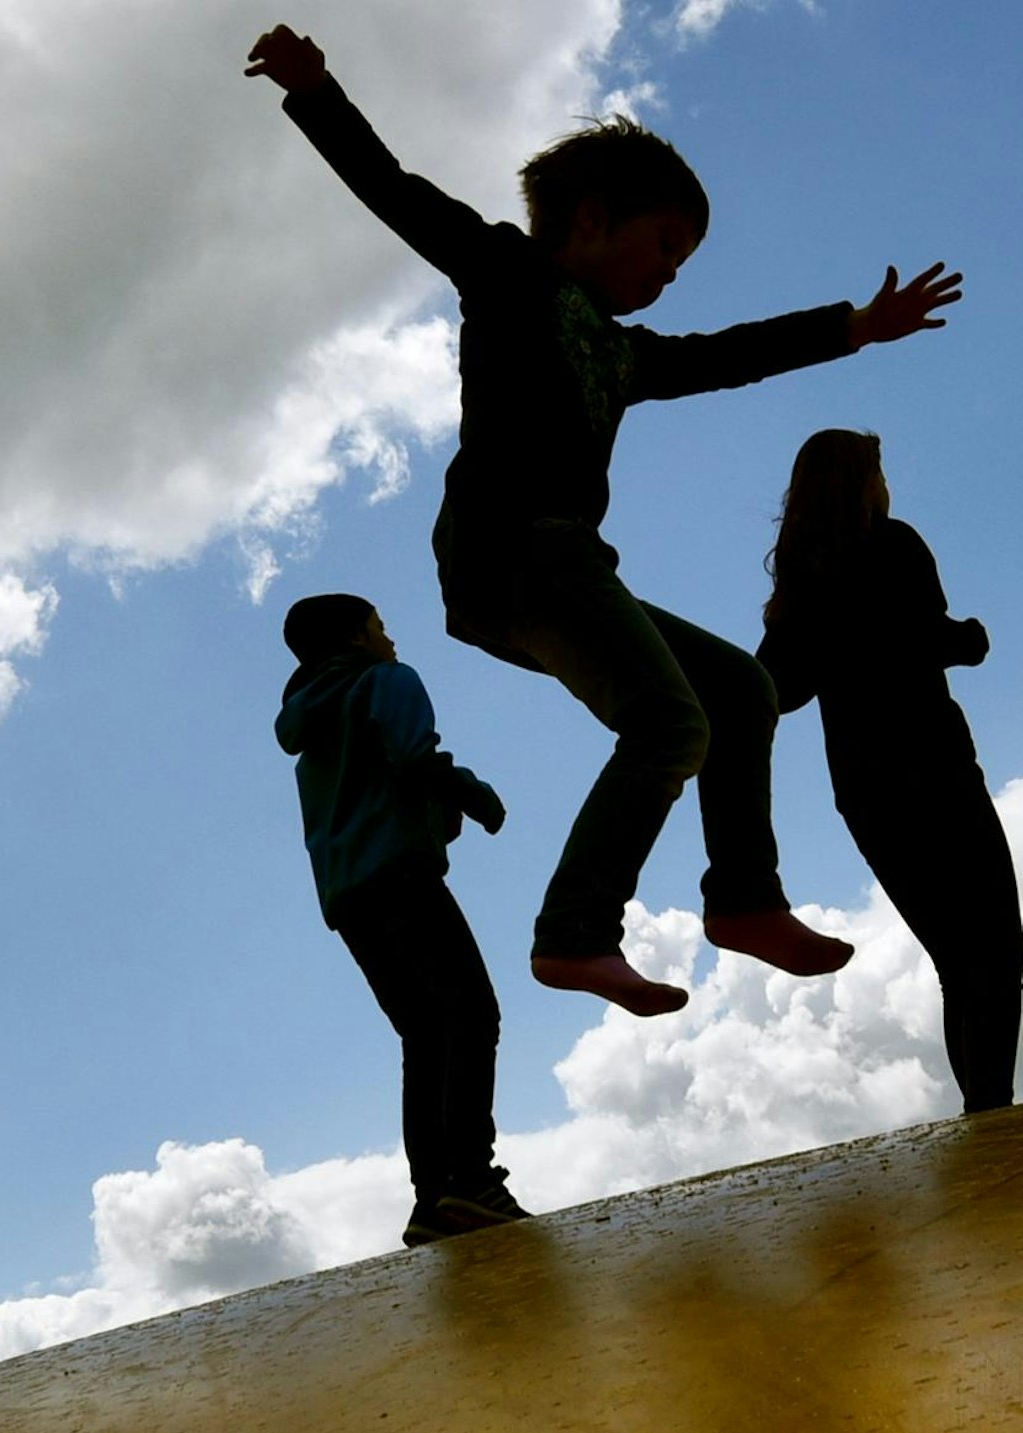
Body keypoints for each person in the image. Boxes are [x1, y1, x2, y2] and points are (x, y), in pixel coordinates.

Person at [246, 24, 962, 1015]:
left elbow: (722, 355)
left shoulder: (621, 354)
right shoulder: (507, 275)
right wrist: (315, 92)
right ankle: (575, 933)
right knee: (668, 722)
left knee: (740, 690)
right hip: (509, 554)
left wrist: (847, 328)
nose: (670, 272)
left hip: (565, 570)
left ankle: (742, 901)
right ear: (588, 220)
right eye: (663, 247)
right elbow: (395, 191)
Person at [758, 430, 1020, 1113]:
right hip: (935, 767)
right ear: (863, 481)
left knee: (957, 960)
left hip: (865, 790)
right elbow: (930, 638)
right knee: (994, 948)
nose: (886, 482)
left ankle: (984, 1115)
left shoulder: (804, 576)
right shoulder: (895, 544)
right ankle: (989, 1117)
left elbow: (779, 690)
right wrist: (972, 638)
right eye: (878, 470)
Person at [276, 593, 528, 1246]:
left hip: (348, 897)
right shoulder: (386, 681)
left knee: (424, 1032)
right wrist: (471, 796)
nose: (391, 638)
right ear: (357, 638)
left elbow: (370, 786)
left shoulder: (311, 725)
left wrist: (429, 810)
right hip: (403, 878)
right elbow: (413, 756)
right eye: (381, 627)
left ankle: (433, 1199)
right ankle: (472, 1180)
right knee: (472, 1015)